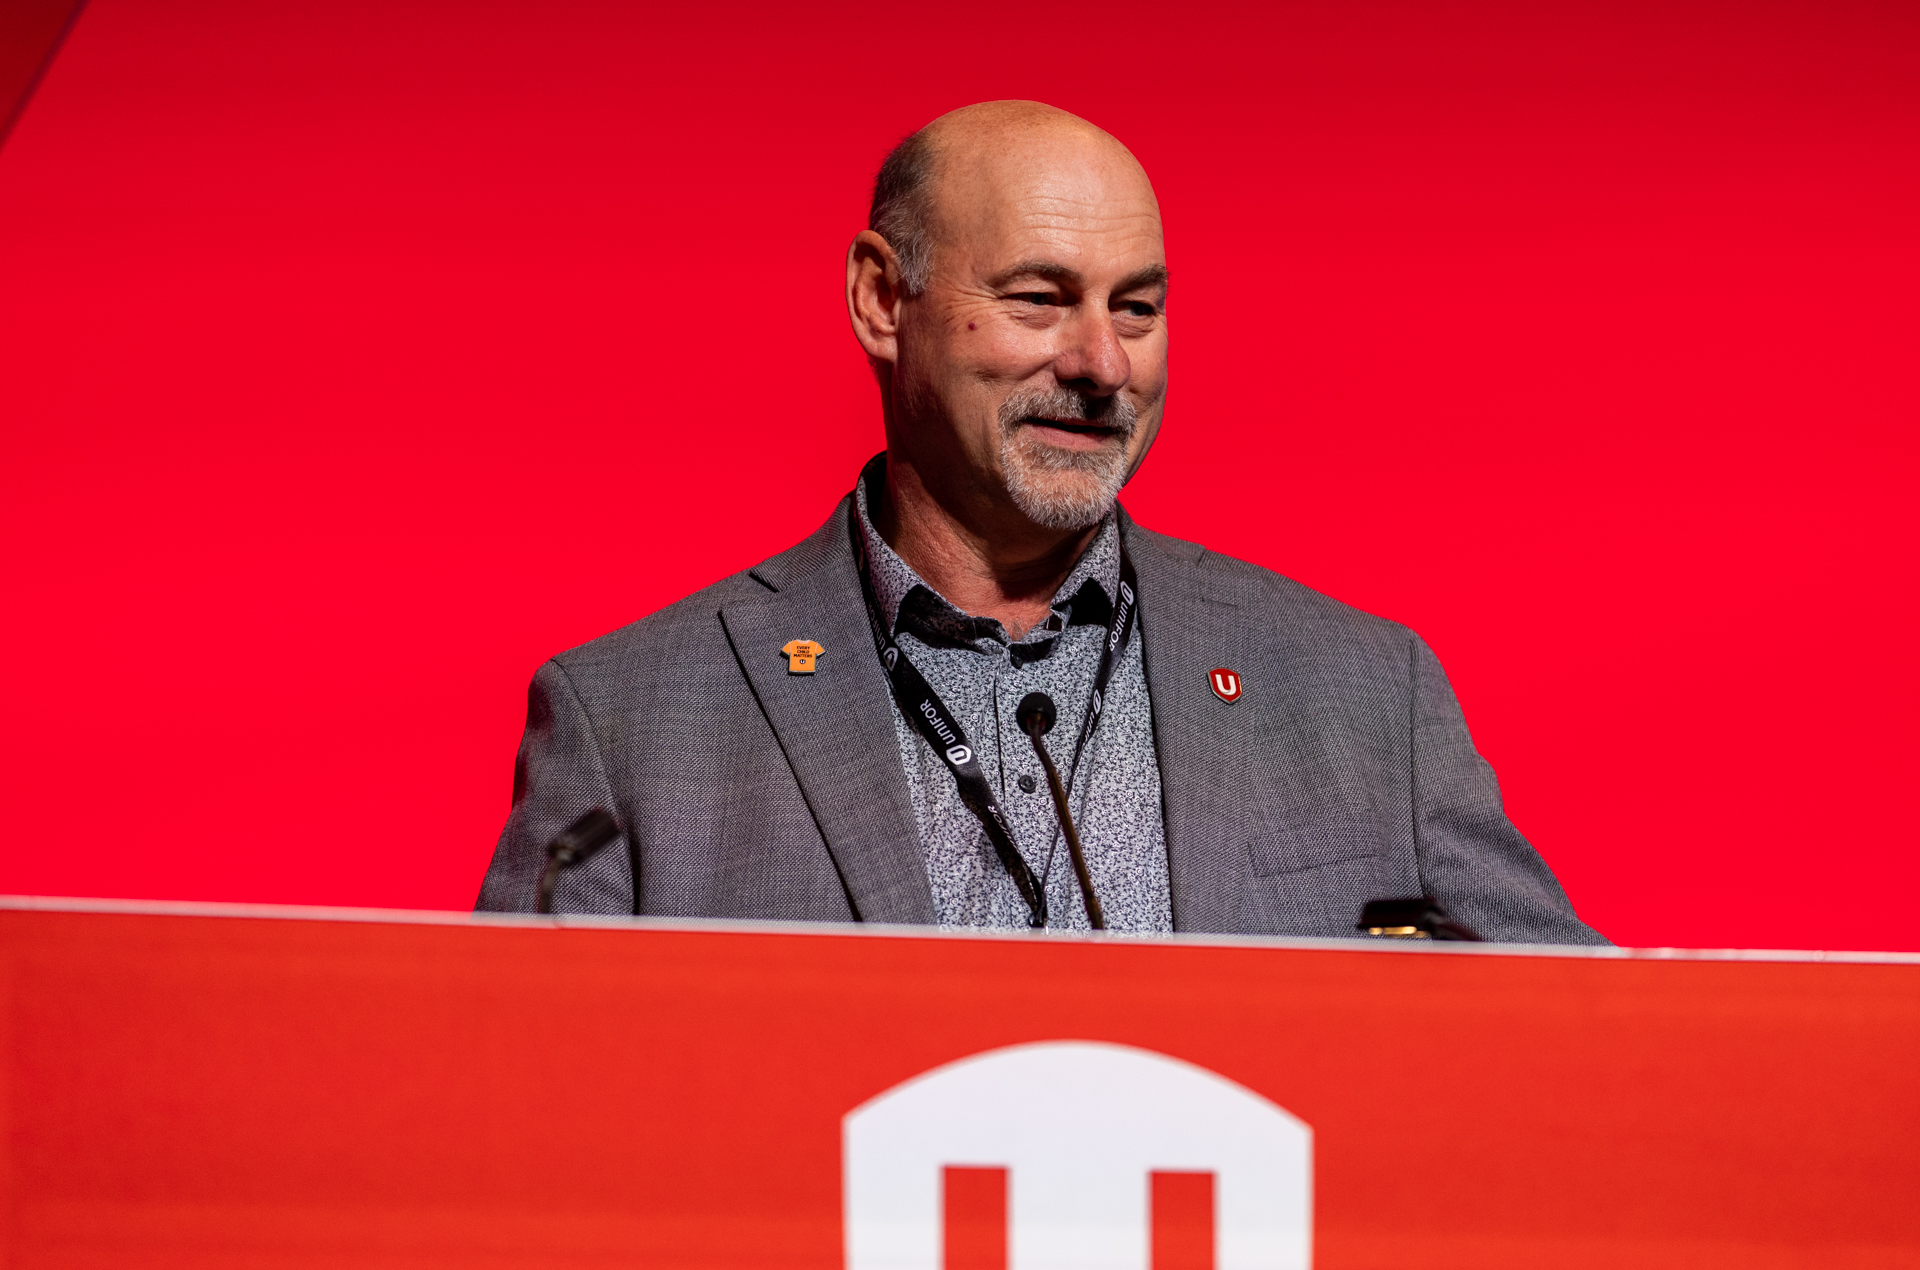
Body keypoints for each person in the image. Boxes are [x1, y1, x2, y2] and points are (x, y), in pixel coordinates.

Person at [476, 100, 1603, 944]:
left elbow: (1593, 1049)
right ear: (882, 297)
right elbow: (510, 1116)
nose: (1100, 366)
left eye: (1137, 308)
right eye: (1037, 299)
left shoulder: (1365, 693)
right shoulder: (630, 724)